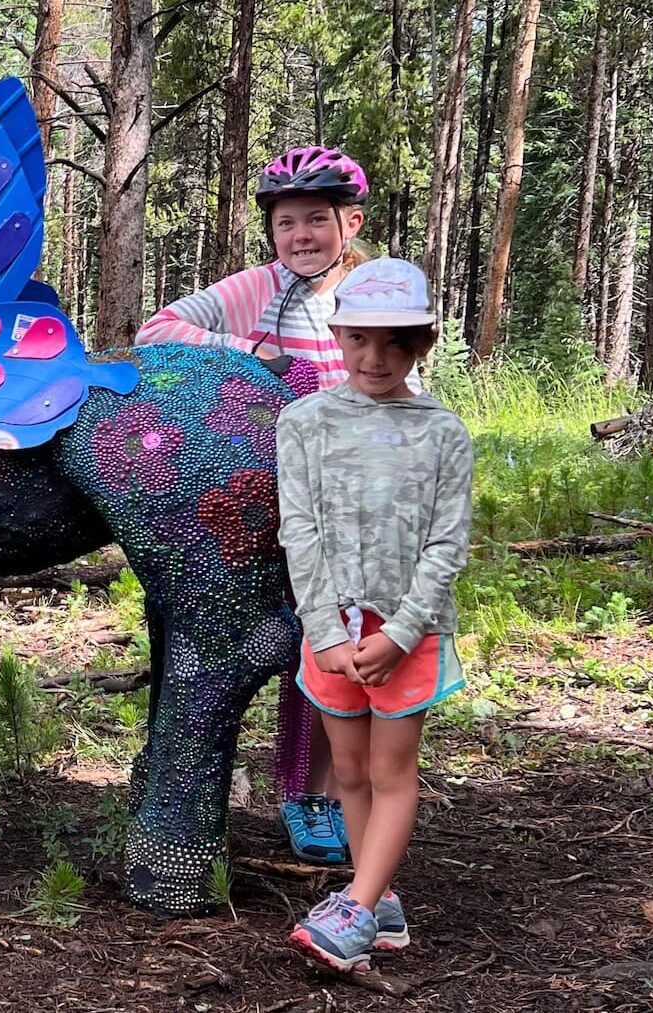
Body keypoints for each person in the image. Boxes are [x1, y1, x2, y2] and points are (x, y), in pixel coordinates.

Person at [136, 145, 380, 864]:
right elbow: (160, 329)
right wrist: (259, 355)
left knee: (357, 642)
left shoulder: (374, 289)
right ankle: (303, 792)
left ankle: (346, 791)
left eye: (316, 221)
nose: (300, 236)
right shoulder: (260, 287)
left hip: (364, 496)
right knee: (305, 639)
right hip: (283, 500)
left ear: (351, 221)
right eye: (285, 224)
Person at [277, 258, 471, 970]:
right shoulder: (303, 422)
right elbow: (297, 528)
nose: (375, 357)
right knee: (349, 769)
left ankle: (356, 908)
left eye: (395, 342)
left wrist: (401, 630)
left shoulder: (442, 432)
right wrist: (324, 630)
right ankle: (378, 897)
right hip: (332, 633)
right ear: (338, 335)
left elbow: (447, 543)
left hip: (404, 633)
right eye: (360, 338)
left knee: (391, 769)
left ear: (423, 342)